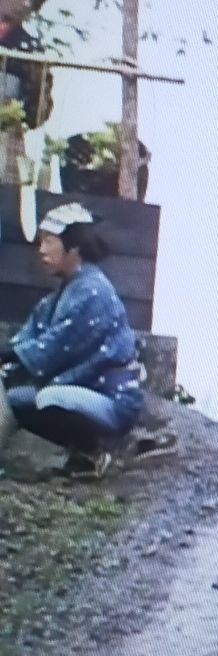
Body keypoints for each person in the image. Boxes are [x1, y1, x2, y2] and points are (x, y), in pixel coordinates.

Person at [0, 203, 144, 479]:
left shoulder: (93, 291)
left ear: (74, 248)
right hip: (85, 391)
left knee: (48, 398)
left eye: (50, 241)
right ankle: (82, 455)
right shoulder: (57, 297)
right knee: (16, 398)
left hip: (111, 399)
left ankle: (92, 452)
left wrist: (11, 355)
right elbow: (29, 338)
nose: (41, 250)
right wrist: (9, 358)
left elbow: (53, 348)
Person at [0, 0, 53, 131]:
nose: (27, 4)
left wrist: (36, 88)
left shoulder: (30, 49)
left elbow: (37, 116)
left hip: (6, 140)